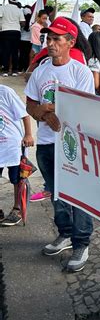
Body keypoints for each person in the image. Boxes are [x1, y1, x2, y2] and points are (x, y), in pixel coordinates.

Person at [25, 17, 95, 272]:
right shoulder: (41, 70)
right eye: (48, 38)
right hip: (45, 144)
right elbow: (30, 105)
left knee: (78, 195)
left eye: (56, 39)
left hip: (72, 146)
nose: (50, 43)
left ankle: (81, 242)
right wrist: (43, 112)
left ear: (70, 42)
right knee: (56, 194)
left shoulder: (80, 72)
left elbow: (86, 111)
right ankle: (64, 234)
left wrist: (58, 111)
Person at [0, 84, 34, 226]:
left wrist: (28, 134)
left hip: (12, 144)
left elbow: (24, 115)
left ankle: (17, 208)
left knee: (17, 179)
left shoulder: (5, 91)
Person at [0, 0, 25, 77]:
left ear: (8, 0)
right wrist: (17, 25)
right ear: (16, 2)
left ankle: (5, 71)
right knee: (15, 52)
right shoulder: (19, 10)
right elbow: (23, 23)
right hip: (16, 32)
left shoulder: (3, 8)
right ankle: (14, 70)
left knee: (5, 52)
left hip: (5, 31)